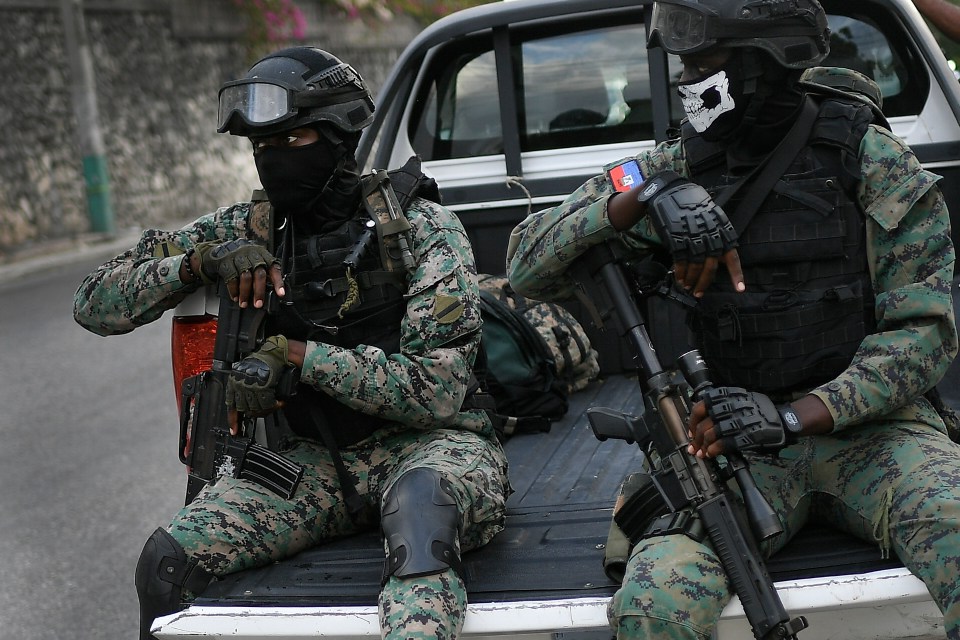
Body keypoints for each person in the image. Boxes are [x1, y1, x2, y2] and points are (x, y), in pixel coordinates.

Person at [505, 0, 960, 637]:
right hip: (722, 446)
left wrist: (794, 415)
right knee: (653, 606)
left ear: (764, 61)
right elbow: (525, 263)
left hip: (874, 431)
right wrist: (646, 199)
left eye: (703, 62)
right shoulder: (675, 165)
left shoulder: (871, 160)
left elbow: (925, 333)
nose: (685, 79)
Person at [74, 46, 510, 640]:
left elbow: (436, 390)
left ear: (339, 137)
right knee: (166, 563)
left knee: (420, 521)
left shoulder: (420, 228)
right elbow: (94, 303)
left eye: (294, 140)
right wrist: (199, 264)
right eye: (262, 147)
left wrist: (301, 359)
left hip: (430, 450)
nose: (274, 161)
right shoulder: (244, 229)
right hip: (309, 462)